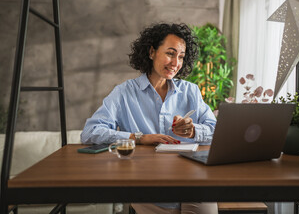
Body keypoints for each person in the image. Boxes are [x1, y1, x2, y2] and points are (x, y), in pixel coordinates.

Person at [81, 23, 217, 214]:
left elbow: (217, 131)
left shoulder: (190, 91)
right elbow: (90, 132)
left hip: (193, 182)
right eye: (170, 53)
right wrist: (139, 138)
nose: (176, 62)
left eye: (181, 56)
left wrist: (194, 130)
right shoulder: (124, 93)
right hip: (147, 185)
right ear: (152, 52)